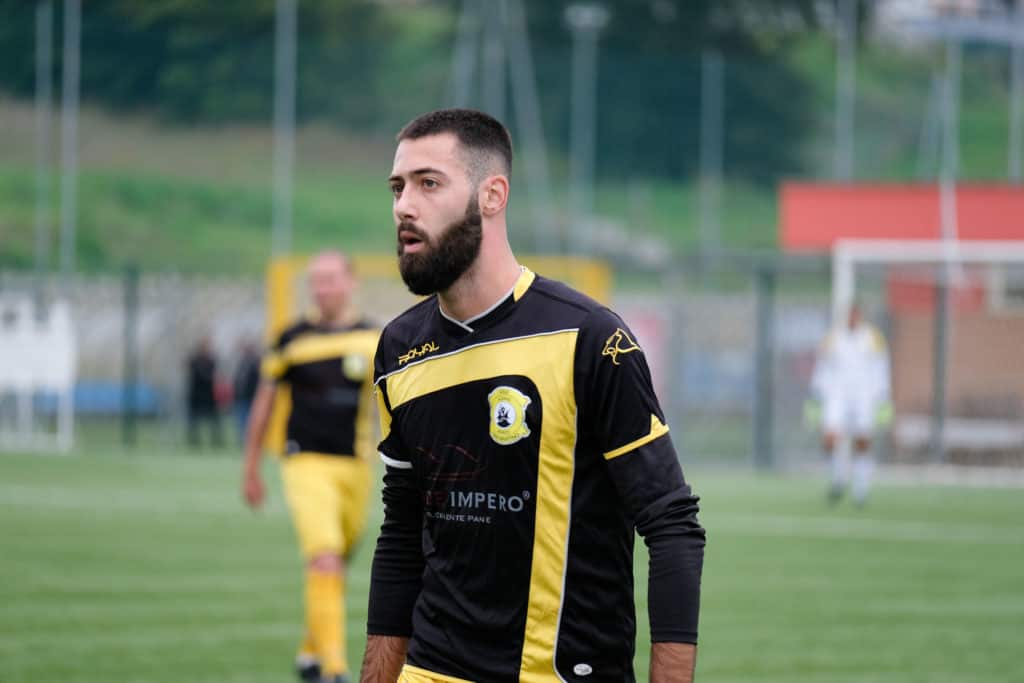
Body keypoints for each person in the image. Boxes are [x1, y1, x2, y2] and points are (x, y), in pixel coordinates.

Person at [361, 109, 705, 683]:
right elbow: (401, 533)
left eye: (428, 183)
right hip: (432, 669)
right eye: (397, 187)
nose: (403, 206)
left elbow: (672, 526)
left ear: (493, 195)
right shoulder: (399, 348)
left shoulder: (589, 337)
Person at [242, 251, 380, 683]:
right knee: (323, 559)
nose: (322, 288)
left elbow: (392, 401)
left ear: (350, 282)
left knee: (336, 563)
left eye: (330, 280)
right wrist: (251, 467)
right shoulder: (290, 338)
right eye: (315, 281)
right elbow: (264, 405)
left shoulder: (375, 338)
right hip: (303, 461)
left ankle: (309, 650)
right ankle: (333, 669)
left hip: (356, 465)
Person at [809, 302, 891, 506]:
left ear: (860, 316)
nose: (852, 318)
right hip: (837, 395)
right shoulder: (833, 338)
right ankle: (838, 479)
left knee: (862, 442)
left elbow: (882, 367)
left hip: (864, 396)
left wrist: (882, 396)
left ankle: (860, 490)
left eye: (856, 315)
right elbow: (822, 367)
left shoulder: (873, 338)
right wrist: (817, 393)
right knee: (830, 438)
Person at [185, 335, 223, 449]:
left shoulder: (211, 361)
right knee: (194, 422)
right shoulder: (194, 360)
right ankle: (194, 442)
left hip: (208, 396)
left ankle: (216, 442)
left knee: (213, 421)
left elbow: (210, 375)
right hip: (196, 396)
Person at [232, 337, 261, 445]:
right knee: (241, 421)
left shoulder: (255, 363)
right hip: (240, 397)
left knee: (250, 422)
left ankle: (250, 441)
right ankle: (244, 441)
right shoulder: (241, 363)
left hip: (250, 397)